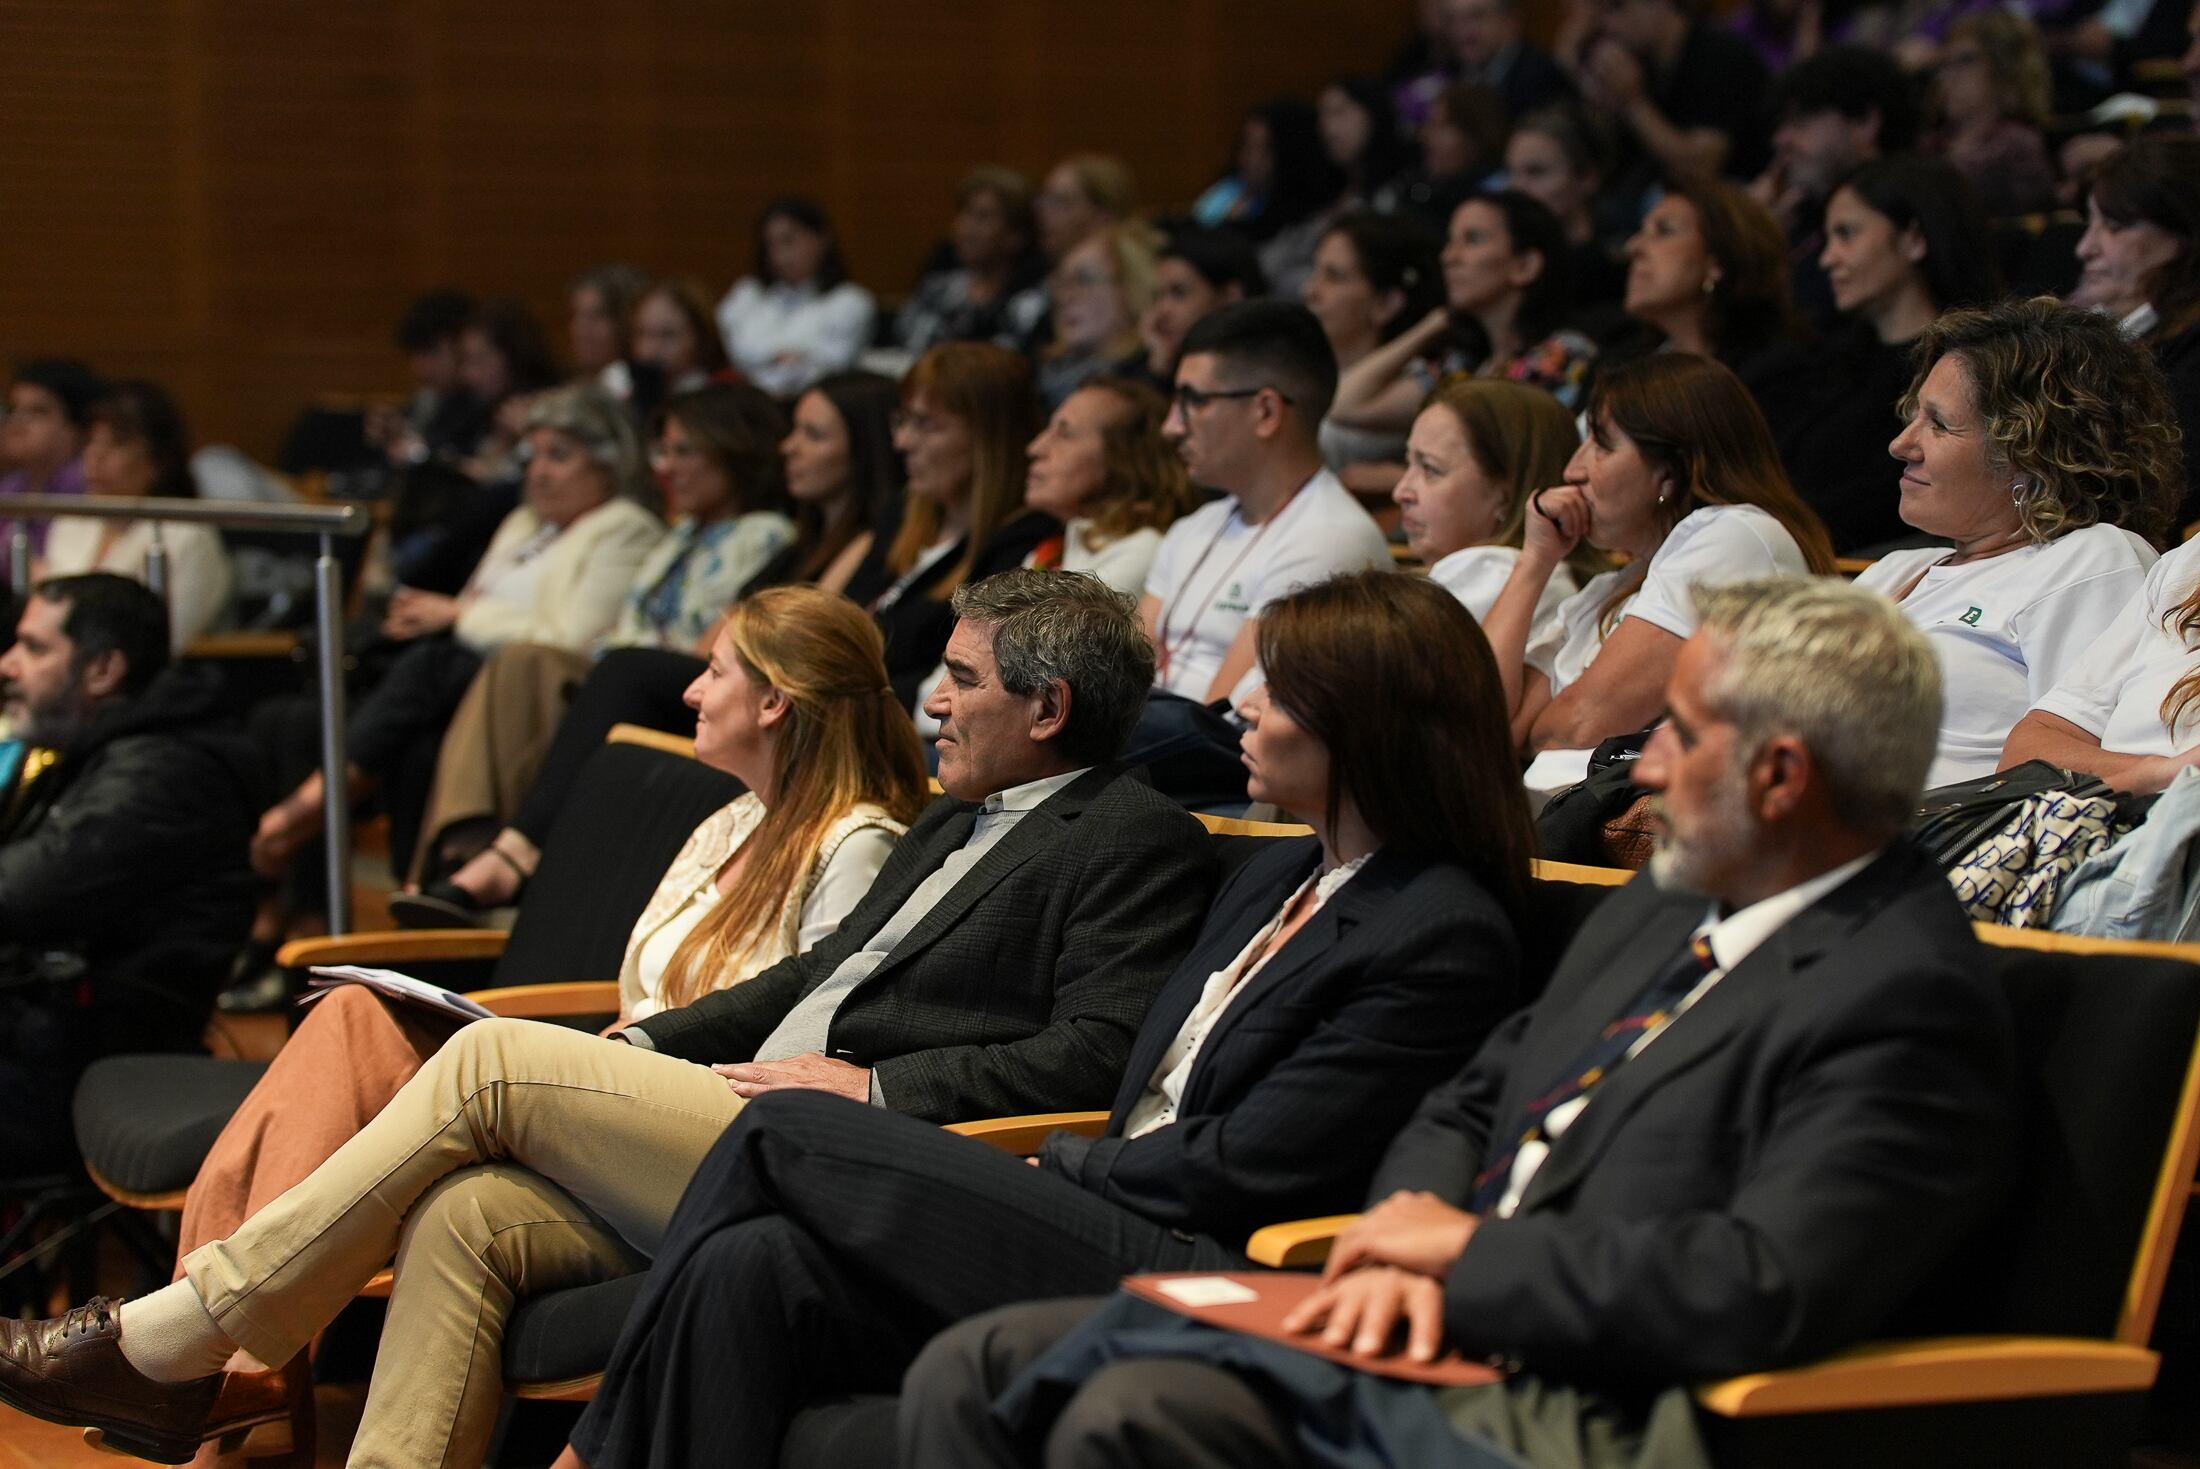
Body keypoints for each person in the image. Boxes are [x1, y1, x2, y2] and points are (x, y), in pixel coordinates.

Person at [0, 569, 1219, 1469]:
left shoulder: (1130, 833)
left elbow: (1093, 1053)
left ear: (1048, 707)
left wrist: (882, 1094)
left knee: (480, 1067)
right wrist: (633, 1045)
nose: (931, 702)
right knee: (465, 1213)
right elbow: (809, 977)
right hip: (753, 1102)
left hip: (861, 1151)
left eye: (958, 677)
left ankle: (184, 1337)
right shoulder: (954, 822)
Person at [905, 576, 2016, 1469]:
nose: (1645, 765)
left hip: (1582, 1408)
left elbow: (1757, 1284)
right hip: (1434, 1332)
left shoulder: (1903, 994)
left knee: (1134, 1411)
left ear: (1779, 774)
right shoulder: (1666, 903)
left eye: (1677, 730)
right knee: (981, 1360)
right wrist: (1403, 1230)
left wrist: (1463, 1258)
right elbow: (1474, 1095)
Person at [550, 567, 1538, 1469]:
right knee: (747, 1263)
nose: (1241, 702)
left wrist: (1052, 1161)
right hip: (1102, 1192)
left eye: (1274, 689)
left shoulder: (1436, 930)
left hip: (1199, 1248)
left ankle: (583, 1449)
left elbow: (1250, 1161)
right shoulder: (1281, 873)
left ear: (1356, 724)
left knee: (785, 1126)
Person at [165, 586, 928, 1421]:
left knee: (405, 1064)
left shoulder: (858, 845)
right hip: (623, 1083)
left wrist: (623, 1052)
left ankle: (206, 1359)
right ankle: (212, 1358)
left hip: (703, 1124)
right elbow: (642, 989)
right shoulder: (732, 818)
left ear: (776, 700)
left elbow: (808, 1030)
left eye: (712, 671)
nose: (689, 691)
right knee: (354, 1019)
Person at [418, 370, 910, 920]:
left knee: (602, 671)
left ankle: (510, 855)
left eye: (813, 435)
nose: (788, 447)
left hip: (748, 695)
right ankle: (466, 855)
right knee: (449, 668)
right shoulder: (798, 542)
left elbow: (738, 648)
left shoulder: (789, 535)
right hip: (690, 676)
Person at [250, 385, 664, 879]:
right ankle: (301, 911)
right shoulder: (525, 522)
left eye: (560, 456)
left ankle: (314, 806)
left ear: (610, 463)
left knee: (431, 673)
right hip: (455, 684)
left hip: (525, 695)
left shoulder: (624, 527)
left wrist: (458, 617)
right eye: (533, 456)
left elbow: (568, 641)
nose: (539, 472)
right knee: (294, 720)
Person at [398, 384, 797, 892]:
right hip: (618, 672)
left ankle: (490, 855)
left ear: (733, 451)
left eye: (684, 451)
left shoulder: (764, 535)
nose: (667, 467)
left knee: (530, 664)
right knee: (459, 692)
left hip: (678, 684)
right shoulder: (680, 533)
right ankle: (458, 855)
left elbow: (722, 643)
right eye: (663, 451)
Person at [1476, 353, 1835, 798]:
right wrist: (1534, 561)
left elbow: (1577, 724)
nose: (1572, 470)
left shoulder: (1736, 532)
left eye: (1602, 445)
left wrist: (1545, 721)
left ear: (1669, 471)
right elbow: (1482, 728)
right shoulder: (1606, 588)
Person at [1856, 297, 2177, 787]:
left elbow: (2080, 774)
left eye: (1939, 424)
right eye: (1913, 414)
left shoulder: (2089, 561)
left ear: (2030, 455)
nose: (1901, 445)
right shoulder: (1895, 569)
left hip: (1939, 849)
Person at [0, 574, 258, 1170]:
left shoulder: (160, 773)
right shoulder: (104, 749)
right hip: (44, 1031)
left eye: (35, 648)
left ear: (103, 670)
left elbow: (20, 892)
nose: (8, 664)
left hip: (83, 1058)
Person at [912, 379, 1201, 740]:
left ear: (1125, 458)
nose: (1035, 448)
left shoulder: (1142, 550)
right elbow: (958, 672)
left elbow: (1018, 691)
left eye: (1064, 434)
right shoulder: (1051, 548)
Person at [1141, 301, 1394, 712]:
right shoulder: (1195, 526)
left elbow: (1217, 724)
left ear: (1266, 411)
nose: (1172, 426)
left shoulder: (1328, 539)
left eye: (1193, 400)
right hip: (1156, 749)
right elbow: (1124, 675)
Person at [1794, 153, 2000, 552]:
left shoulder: (1972, 369)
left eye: (1847, 234)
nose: (1827, 258)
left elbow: (1895, 502)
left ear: (1913, 238)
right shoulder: (1827, 359)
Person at [862, 343, 1058, 706]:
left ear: (989, 439)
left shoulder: (1023, 541)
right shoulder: (905, 513)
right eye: (901, 420)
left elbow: (960, 682)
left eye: (926, 424)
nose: (901, 441)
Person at [1330, 191, 1599, 449]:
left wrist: (1388, 476)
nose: (1448, 257)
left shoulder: (1564, 353)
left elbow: (1502, 464)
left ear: (1525, 265)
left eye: (1472, 239)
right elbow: (1345, 404)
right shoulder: (1463, 367)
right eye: (1450, 240)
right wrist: (1434, 323)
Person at [1616, 174, 1817, 463]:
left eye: (1663, 231)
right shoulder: (1623, 359)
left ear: (1718, 262)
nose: (1634, 246)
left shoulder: (1773, 376)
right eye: (1640, 230)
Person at [1394, 378, 1598, 641]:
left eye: (1430, 469)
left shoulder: (1491, 577)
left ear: (1505, 495)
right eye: (1407, 462)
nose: (1400, 492)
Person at [40, 380, 233, 650]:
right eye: (92, 441)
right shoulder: (73, 521)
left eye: (116, 444)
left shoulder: (190, 537)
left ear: (158, 461)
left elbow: (169, 641)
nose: (95, 455)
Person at [2004, 532, 2200, 792]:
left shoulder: (2099, 551)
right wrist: (2158, 774)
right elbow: (2025, 753)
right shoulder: (2187, 560)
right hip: (2107, 820)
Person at [2071, 134, 2200, 524]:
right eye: (2089, 223)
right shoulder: (2100, 329)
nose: (2085, 248)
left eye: (2113, 226)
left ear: (2182, 236)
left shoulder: (2189, 366)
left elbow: (2155, 502)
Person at [1751, 46, 1922, 326]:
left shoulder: (1915, 202)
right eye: (1782, 123)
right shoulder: (1796, 215)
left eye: (1801, 120)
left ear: (1865, 121)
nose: (1781, 139)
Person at [1300, 211, 1442, 493]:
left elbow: (1342, 403)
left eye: (1334, 276)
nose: (1310, 290)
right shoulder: (1299, 369)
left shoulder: (1415, 380)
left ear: (1386, 303)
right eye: (1316, 272)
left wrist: (1437, 322)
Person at [1569, 0, 1772, 185]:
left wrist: (1633, 103)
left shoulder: (1719, 57)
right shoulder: (1643, 62)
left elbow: (1699, 168)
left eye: (1617, 7)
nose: (1607, 25)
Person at [715, 196, 876, 397]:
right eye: (770, 245)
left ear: (821, 238)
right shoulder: (747, 293)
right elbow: (730, 351)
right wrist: (787, 356)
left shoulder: (851, 301)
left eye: (788, 241)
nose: (779, 256)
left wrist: (764, 358)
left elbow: (832, 365)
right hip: (746, 399)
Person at [1191, 99, 1348, 296]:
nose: (1250, 159)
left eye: (1264, 149)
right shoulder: (1228, 192)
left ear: (1290, 154)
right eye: (1246, 145)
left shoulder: (1313, 222)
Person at [896, 166, 1052, 356]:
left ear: (1016, 235)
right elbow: (907, 344)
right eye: (964, 214)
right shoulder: (938, 287)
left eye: (983, 217)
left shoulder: (1031, 301)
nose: (965, 228)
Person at [1926, 11, 2058, 219]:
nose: (1947, 76)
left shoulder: (2017, 144)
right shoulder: (1931, 141)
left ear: (2005, 64)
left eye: (1964, 60)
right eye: (1944, 64)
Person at [1501, 106, 1627, 311]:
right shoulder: (1509, 269)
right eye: (1511, 173)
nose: (1517, 188)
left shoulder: (1613, 271)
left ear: (1587, 177)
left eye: (1536, 172)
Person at [1036, 220, 1163, 410]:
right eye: (1062, 283)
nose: (1065, 297)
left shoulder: (1150, 381)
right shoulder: (1042, 374)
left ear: (1130, 288)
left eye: (1084, 279)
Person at [0, 357, 102, 582]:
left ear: (76, 427)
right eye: (13, 409)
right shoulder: (9, 488)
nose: (17, 423)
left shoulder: (91, 487)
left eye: (37, 412)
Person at [1140, 226, 1268, 382]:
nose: (1161, 311)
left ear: (1230, 295)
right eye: (1158, 296)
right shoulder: (1158, 362)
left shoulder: (1264, 371)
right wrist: (1161, 365)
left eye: (1179, 292)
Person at [630, 277, 734, 401]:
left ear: (701, 338)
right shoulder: (624, 393)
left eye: (668, 335)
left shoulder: (728, 392)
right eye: (641, 333)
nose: (651, 348)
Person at [566, 263, 650, 399]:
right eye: (576, 315)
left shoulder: (635, 392)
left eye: (597, 316)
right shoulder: (576, 384)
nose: (579, 329)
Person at [1034, 154, 1137, 262]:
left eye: (1060, 201)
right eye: (1045, 197)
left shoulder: (1102, 271)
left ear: (1103, 214)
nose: (1043, 211)